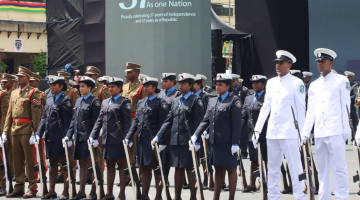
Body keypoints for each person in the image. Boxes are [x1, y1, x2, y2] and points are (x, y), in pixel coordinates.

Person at [252, 50, 306, 200]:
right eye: (277, 62)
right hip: (273, 132)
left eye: (281, 63)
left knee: (295, 167)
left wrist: (302, 133)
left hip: (290, 132)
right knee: (273, 169)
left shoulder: (297, 83)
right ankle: (273, 196)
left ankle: (300, 196)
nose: (278, 65)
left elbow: (301, 110)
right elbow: (266, 107)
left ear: (289, 65)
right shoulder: (271, 82)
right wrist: (257, 130)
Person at [302, 48, 350, 200]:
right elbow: (310, 111)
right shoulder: (314, 85)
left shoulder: (341, 80)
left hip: (336, 130)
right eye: (318, 61)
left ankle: (342, 197)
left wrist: (346, 128)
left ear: (331, 62)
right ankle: (324, 197)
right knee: (322, 169)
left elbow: (346, 106)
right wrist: (305, 132)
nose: (320, 64)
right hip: (320, 132)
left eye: (323, 61)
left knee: (339, 167)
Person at [152, 73, 204, 200]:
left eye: (183, 84)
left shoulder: (195, 100)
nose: (180, 86)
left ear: (190, 85)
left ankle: (193, 197)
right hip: (175, 141)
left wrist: (197, 140)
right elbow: (168, 121)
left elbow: (199, 122)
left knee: (190, 169)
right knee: (178, 169)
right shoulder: (176, 100)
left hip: (189, 141)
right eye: (179, 84)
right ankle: (177, 197)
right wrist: (158, 136)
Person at [191, 73, 241, 200]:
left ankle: (231, 197)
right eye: (216, 85)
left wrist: (235, 142)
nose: (217, 87)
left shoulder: (234, 101)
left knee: (231, 169)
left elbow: (237, 124)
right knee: (218, 169)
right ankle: (216, 197)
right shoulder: (212, 100)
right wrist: (196, 134)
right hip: (215, 141)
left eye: (221, 85)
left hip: (228, 142)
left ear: (228, 86)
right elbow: (205, 120)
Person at [124, 77, 168, 200]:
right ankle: (144, 195)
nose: (144, 88)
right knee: (145, 167)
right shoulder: (141, 102)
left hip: (154, 140)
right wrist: (128, 136)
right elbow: (136, 121)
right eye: (144, 86)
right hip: (142, 140)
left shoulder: (160, 103)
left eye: (147, 86)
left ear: (154, 87)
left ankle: (158, 195)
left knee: (157, 168)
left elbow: (164, 123)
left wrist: (162, 141)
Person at [2, 67, 42, 198]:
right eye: (17, 76)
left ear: (28, 78)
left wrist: (34, 133)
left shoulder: (33, 92)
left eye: (21, 76)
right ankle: (18, 186)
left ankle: (32, 187)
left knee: (30, 161)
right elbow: (9, 113)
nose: (18, 78)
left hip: (26, 129)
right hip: (14, 128)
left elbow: (36, 115)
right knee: (16, 160)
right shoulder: (13, 93)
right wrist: (5, 131)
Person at [90, 77, 131, 200]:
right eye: (109, 86)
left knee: (122, 165)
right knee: (110, 165)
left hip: (119, 138)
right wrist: (93, 134)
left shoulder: (124, 102)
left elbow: (128, 122)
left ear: (119, 88)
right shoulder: (104, 102)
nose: (110, 88)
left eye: (113, 86)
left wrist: (128, 138)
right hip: (107, 139)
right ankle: (109, 193)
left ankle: (122, 193)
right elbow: (99, 120)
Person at [35, 76, 73, 199]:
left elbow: (68, 121)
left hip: (61, 136)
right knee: (52, 163)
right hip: (50, 136)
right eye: (50, 85)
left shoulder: (65, 100)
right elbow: (44, 117)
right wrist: (38, 133)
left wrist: (68, 137)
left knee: (65, 164)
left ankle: (66, 191)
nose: (51, 87)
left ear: (61, 86)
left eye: (54, 85)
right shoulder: (50, 99)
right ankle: (51, 190)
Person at [64, 76, 101, 200]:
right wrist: (68, 136)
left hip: (89, 137)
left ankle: (94, 191)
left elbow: (97, 121)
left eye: (83, 86)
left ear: (89, 88)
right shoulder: (79, 100)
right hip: (79, 136)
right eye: (80, 86)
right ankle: (81, 191)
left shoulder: (94, 101)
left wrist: (95, 136)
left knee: (92, 164)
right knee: (82, 163)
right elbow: (74, 120)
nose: (80, 89)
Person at [242, 75, 268, 193]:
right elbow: (244, 115)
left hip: (264, 133)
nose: (255, 85)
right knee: (253, 159)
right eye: (253, 83)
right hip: (251, 134)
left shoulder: (267, 97)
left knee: (267, 159)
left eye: (258, 83)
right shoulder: (248, 98)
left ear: (263, 84)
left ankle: (268, 183)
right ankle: (252, 183)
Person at [121, 62, 146, 184]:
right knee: (127, 149)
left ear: (136, 72)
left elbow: (145, 106)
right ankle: (129, 175)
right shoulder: (124, 87)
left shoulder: (141, 87)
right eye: (127, 72)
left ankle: (141, 176)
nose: (127, 74)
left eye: (129, 72)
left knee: (138, 149)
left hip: (136, 121)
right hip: (125, 121)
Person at [84, 66, 111, 178]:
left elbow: (107, 107)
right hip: (86, 124)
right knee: (87, 151)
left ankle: (98, 174)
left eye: (90, 76)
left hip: (98, 124)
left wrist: (103, 127)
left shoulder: (102, 89)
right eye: (87, 75)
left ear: (96, 77)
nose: (88, 78)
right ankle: (88, 175)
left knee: (98, 151)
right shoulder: (86, 88)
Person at [157, 73, 180, 188]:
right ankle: (164, 178)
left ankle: (171, 179)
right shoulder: (160, 94)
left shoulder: (177, 94)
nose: (164, 83)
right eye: (163, 81)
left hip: (171, 130)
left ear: (173, 82)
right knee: (162, 157)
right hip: (160, 130)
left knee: (170, 156)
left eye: (166, 81)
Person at [57, 71, 80, 183]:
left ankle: (72, 174)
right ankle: (61, 173)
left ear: (66, 81)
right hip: (57, 125)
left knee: (69, 153)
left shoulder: (73, 92)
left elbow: (76, 110)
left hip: (69, 125)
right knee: (60, 152)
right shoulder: (54, 93)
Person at [192, 76, 214, 190]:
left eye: (194, 84)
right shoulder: (191, 97)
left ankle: (208, 179)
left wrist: (207, 129)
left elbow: (209, 114)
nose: (192, 86)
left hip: (204, 131)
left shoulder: (205, 97)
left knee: (205, 157)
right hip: (194, 132)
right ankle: (198, 180)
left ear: (199, 85)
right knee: (195, 158)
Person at [0, 74, 15, 196]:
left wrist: (3, 132)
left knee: (1, 159)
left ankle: (2, 185)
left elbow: (5, 115)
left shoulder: (2, 94)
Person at [231, 74, 248, 159]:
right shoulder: (231, 90)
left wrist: (243, 114)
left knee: (243, 134)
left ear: (237, 81)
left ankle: (244, 151)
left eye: (233, 81)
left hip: (242, 115)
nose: (231, 83)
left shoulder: (243, 91)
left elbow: (246, 103)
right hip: (234, 114)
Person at [345, 71, 359, 142]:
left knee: (353, 123)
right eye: (346, 77)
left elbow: (355, 95)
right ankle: (345, 139)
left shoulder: (354, 85)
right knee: (345, 122)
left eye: (348, 77)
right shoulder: (342, 84)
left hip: (352, 107)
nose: (347, 78)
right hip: (344, 107)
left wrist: (347, 98)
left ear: (351, 78)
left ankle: (354, 138)